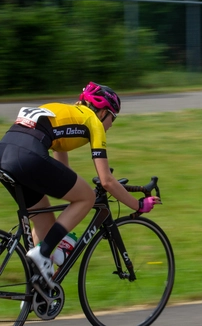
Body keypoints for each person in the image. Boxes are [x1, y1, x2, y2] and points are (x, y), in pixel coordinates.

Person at [0, 82, 161, 288]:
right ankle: (42, 253)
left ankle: (36, 289)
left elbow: (60, 173)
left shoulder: (63, 110)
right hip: (27, 156)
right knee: (87, 197)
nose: (112, 124)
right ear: (103, 112)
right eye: (114, 117)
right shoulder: (93, 122)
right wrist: (137, 205)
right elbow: (107, 181)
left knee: (46, 221)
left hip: (5, 152)